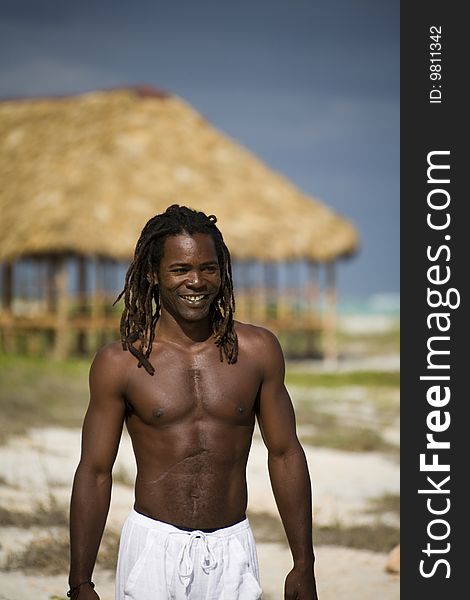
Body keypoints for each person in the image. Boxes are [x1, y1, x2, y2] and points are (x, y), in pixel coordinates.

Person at [68, 204, 319, 600]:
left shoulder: (257, 351)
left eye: (208, 268)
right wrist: (80, 581)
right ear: (154, 274)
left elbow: (285, 453)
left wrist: (304, 563)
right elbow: (95, 471)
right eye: (181, 269)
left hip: (232, 546)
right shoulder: (121, 363)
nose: (197, 281)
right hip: (152, 546)